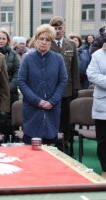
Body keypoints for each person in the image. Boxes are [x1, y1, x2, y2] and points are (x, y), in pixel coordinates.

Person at [18, 24, 68, 145]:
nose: (44, 42)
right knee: (31, 149)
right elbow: (21, 81)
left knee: (49, 148)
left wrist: (52, 101)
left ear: (51, 42)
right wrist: (37, 101)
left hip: (52, 109)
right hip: (32, 108)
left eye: (48, 40)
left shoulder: (58, 58)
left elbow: (63, 80)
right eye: (41, 39)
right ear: (36, 40)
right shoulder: (27, 59)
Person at [49, 16, 80, 154]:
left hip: (67, 89)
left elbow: (75, 68)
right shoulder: (47, 43)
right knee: (52, 118)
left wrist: (76, 87)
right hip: (51, 89)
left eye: (59, 28)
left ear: (64, 28)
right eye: (54, 28)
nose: (57, 30)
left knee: (66, 119)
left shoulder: (71, 44)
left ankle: (65, 145)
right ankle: (52, 144)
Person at [0, 27, 20, 142]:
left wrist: (8, 88)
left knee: (9, 123)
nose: (1, 41)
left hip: (11, 94)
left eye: (3, 38)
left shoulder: (13, 54)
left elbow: (18, 72)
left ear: (7, 40)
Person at [86, 38, 106, 179]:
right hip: (103, 104)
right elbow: (91, 74)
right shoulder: (98, 55)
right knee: (103, 141)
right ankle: (105, 169)